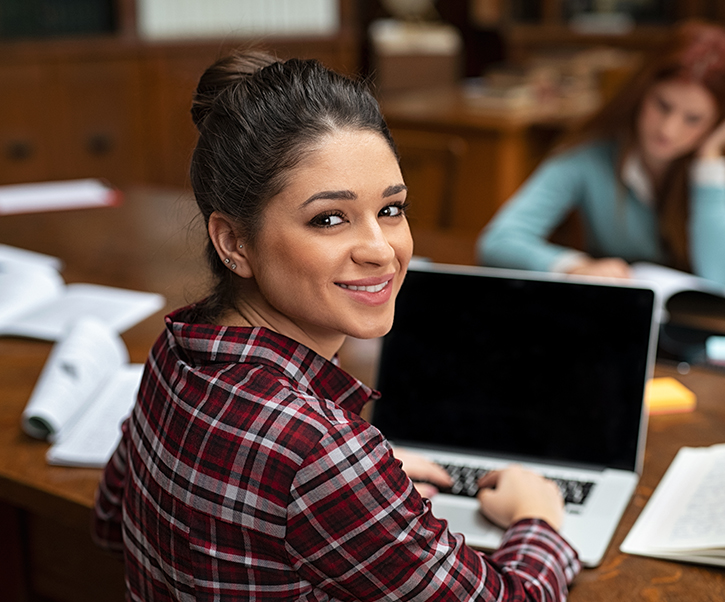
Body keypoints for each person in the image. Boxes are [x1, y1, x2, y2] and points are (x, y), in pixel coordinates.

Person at [91, 50, 580, 601]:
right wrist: (538, 520)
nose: (381, 250)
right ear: (233, 242)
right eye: (329, 219)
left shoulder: (176, 350)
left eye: (392, 209)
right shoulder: (319, 451)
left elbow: (112, 522)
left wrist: (368, 497)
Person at [477, 20, 725, 286]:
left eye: (694, 119)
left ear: (718, 121)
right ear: (642, 90)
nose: (669, 130)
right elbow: (499, 240)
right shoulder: (592, 150)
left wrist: (709, 161)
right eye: (662, 105)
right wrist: (573, 267)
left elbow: (720, 274)